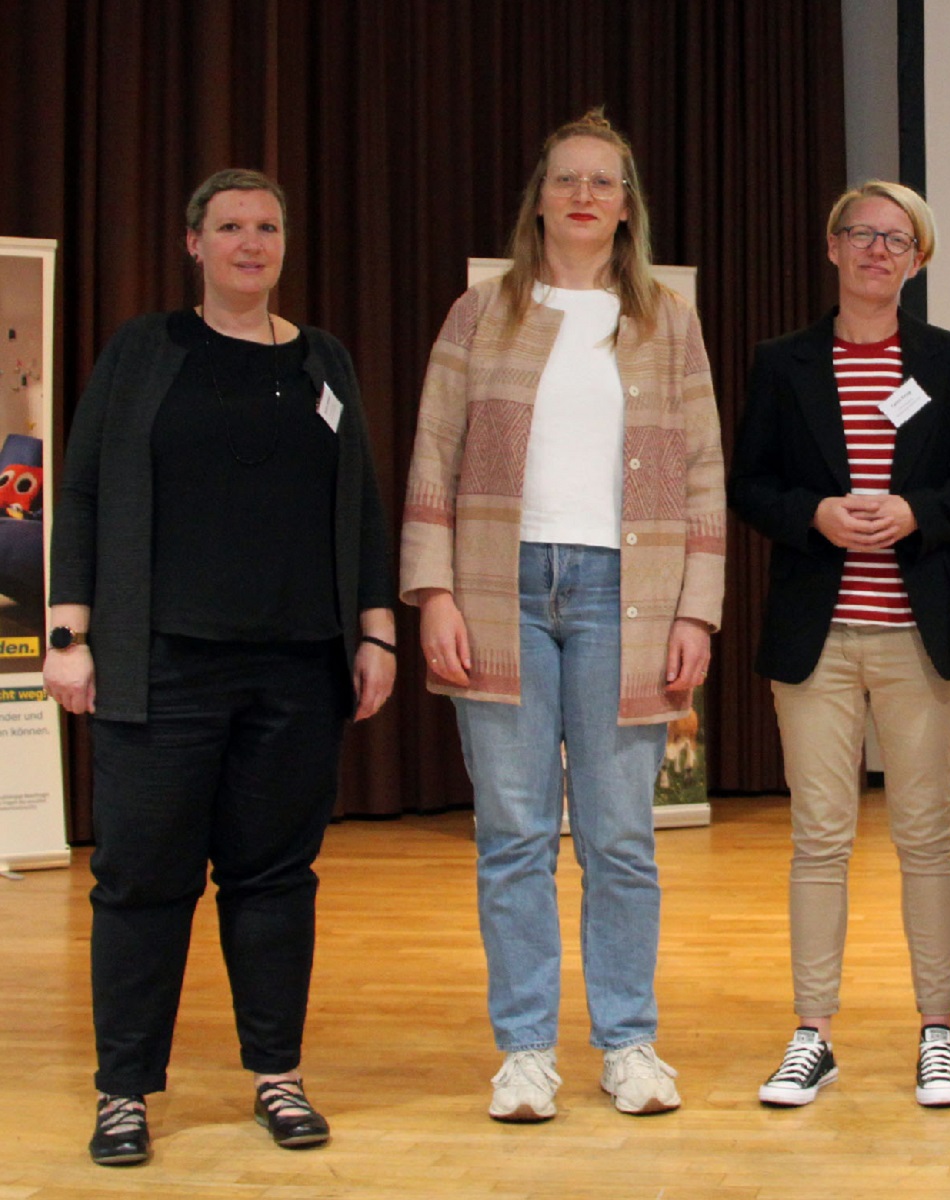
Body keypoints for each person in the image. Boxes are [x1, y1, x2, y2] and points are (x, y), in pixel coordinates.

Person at [44, 168, 396, 1166]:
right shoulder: (145, 352)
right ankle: (124, 1093)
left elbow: (359, 503)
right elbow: (85, 481)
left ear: (285, 244)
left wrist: (374, 631)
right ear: (193, 243)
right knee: (142, 881)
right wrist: (69, 632)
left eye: (268, 226)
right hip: (160, 667)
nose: (252, 241)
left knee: (276, 879)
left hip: (295, 670)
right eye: (232, 225)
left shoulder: (324, 361)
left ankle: (277, 1077)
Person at [400, 110, 724, 1123]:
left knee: (622, 837)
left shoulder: (666, 320)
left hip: (623, 598)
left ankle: (628, 1043)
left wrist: (698, 612)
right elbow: (432, 455)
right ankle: (526, 1049)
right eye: (568, 179)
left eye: (606, 182)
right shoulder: (478, 313)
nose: (586, 195)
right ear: (538, 196)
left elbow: (706, 471)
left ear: (627, 207)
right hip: (501, 593)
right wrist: (436, 591)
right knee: (512, 834)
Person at [729, 181, 950, 1108]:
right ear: (833, 246)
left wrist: (915, 513)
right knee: (820, 838)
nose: (878, 250)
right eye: (862, 234)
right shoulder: (783, 361)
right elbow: (750, 483)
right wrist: (812, 514)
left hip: (915, 634)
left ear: (918, 260)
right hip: (818, 635)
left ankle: (939, 1030)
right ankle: (813, 1032)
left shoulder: (949, 360)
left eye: (898, 239)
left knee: (926, 836)